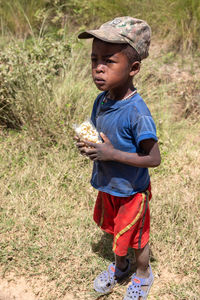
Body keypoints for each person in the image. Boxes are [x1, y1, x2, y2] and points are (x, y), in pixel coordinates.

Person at [75, 16, 161, 300]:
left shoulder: (137, 112)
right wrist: (91, 147)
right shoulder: (101, 100)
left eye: (109, 61)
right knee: (115, 229)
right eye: (94, 59)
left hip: (131, 190)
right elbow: (99, 138)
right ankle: (121, 266)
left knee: (137, 236)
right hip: (108, 185)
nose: (98, 68)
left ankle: (142, 273)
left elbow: (153, 159)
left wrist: (111, 153)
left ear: (133, 68)